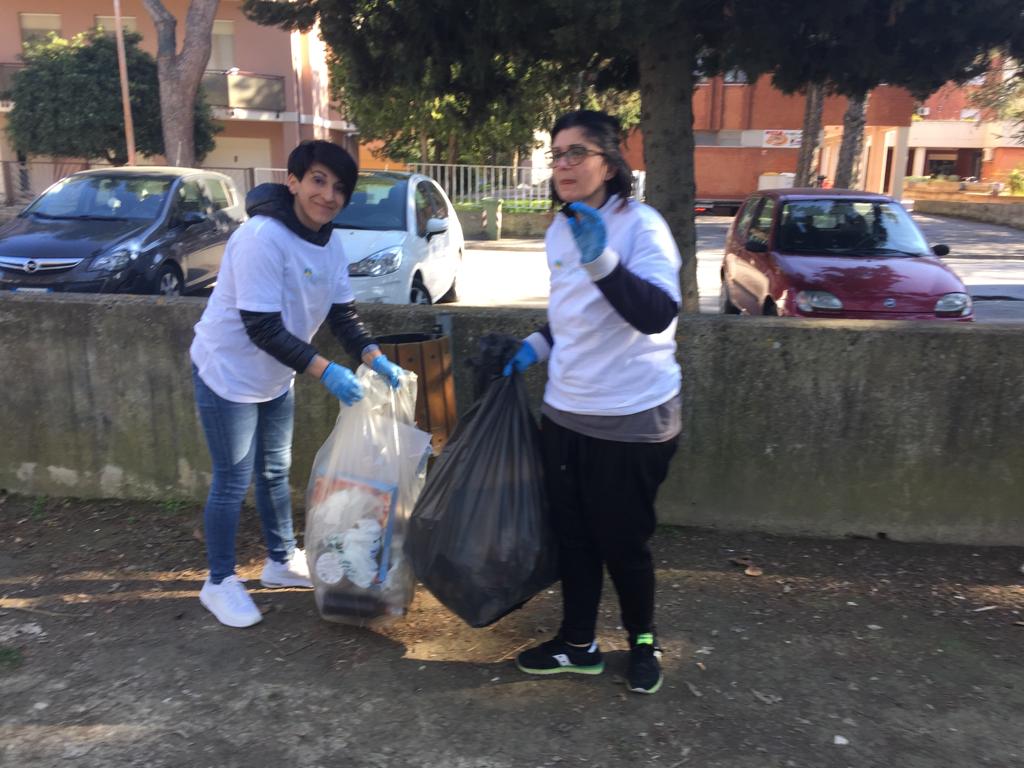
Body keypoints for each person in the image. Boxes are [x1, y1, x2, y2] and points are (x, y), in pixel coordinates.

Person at [189, 140, 406, 629]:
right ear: (293, 181)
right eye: (318, 180)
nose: (328, 195)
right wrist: (327, 371)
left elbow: (343, 314)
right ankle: (219, 581)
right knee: (232, 480)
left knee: (274, 469)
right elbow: (261, 327)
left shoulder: (330, 242)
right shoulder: (261, 238)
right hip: (227, 374)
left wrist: (374, 357)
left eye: (340, 188)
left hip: (275, 376)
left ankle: (280, 559)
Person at [503, 110, 682, 694]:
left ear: (609, 162)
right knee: (573, 538)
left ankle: (643, 641)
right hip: (566, 414)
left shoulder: (641, 225)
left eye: (577, 153)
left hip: (632, 418)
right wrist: (532, 346)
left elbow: (657, 313)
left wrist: (603, 260)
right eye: (557, 154)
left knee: (622, 541)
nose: (564, 165)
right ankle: (578, 643)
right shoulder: (561, 229)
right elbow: (571, 319)